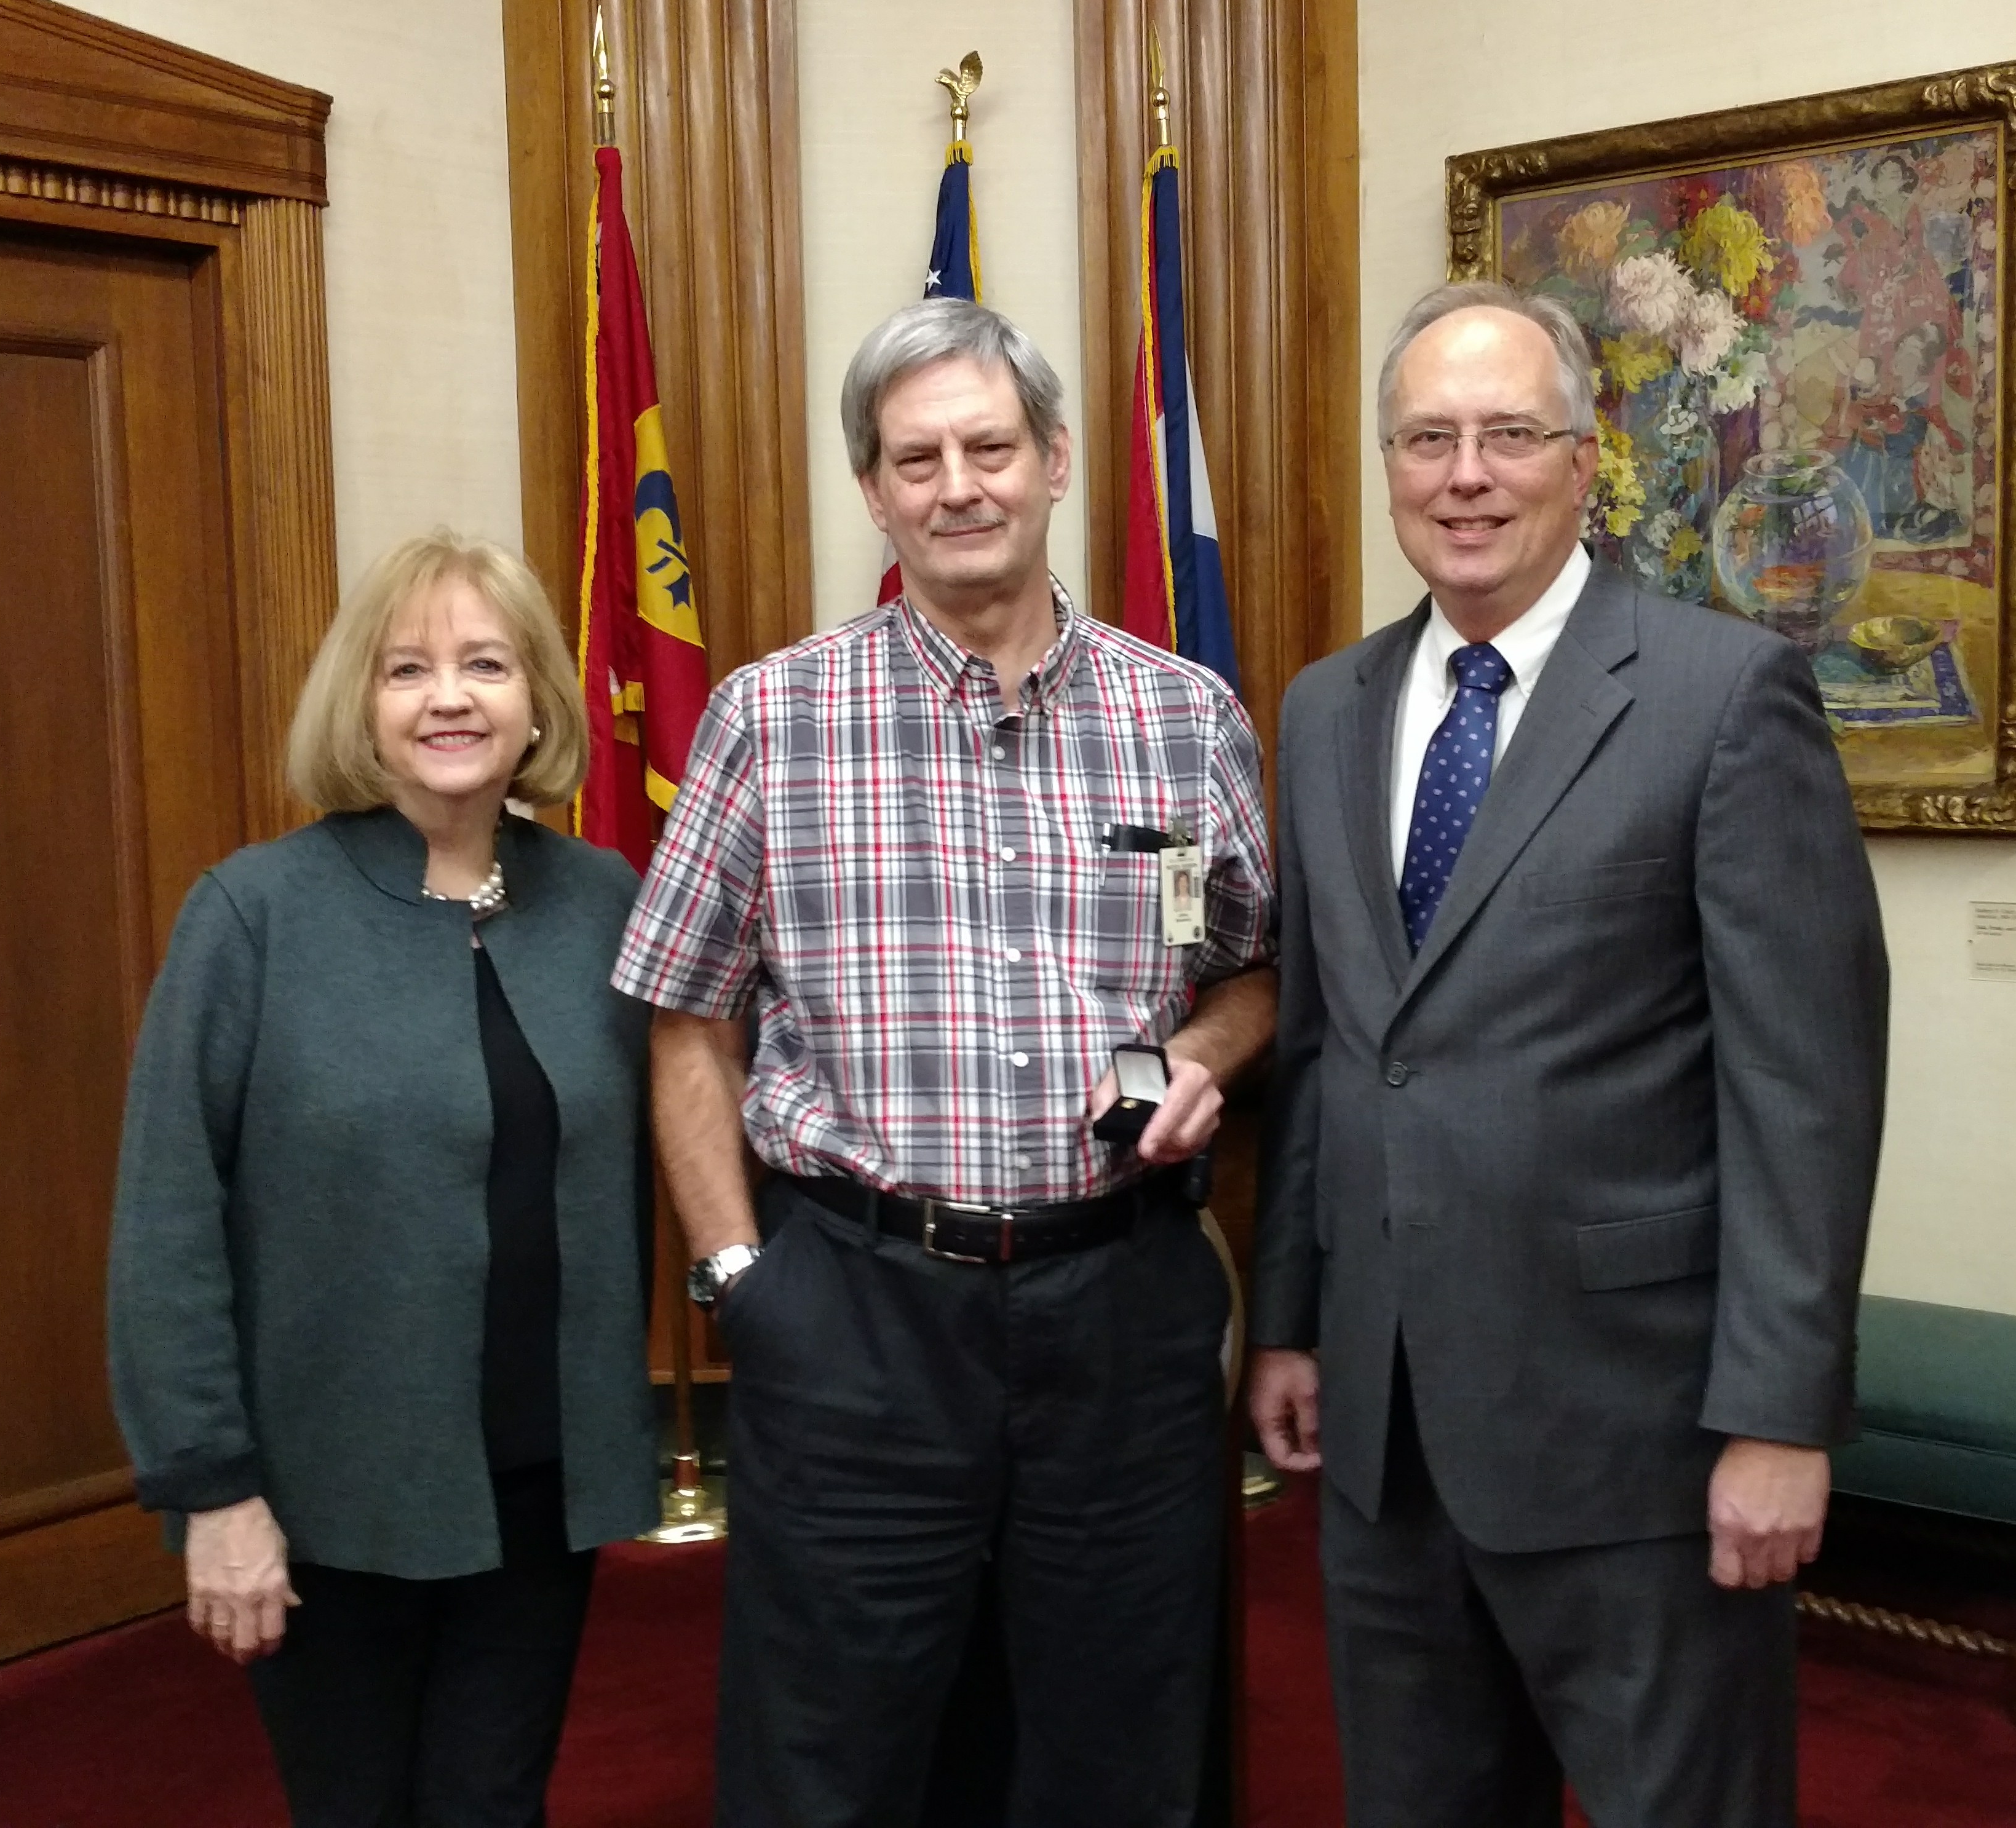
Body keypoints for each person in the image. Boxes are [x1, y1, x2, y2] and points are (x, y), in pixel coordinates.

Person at [613, 297, 1277, 1828]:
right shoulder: (769, 718)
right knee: (827, 1758)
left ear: (1053, 462)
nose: (956, 484)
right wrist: (737, 1284)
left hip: (1115, 1310)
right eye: (915, 458)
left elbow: (1254, 974)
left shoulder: (1184, 721)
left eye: (989, 446)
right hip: (853, 1311)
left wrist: (1196, 1052)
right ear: (872, 492)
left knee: (1122, 1748)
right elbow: (687, 1022)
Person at [1248, 280, 1888, 1828]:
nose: (1463, 474)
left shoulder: (1719, 695)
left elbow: (1802, 1092)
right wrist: (1286, 1321)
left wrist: (1780, 1418)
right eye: (1426, 438)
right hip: (1384, 1437)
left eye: (1507, 435)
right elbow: (1331, 1040)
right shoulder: (1326, 708)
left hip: (1638, 1445)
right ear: (1390, 463)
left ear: (1583, 458)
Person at [109, 531, 659, 1828]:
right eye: (407, 669)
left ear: (538, 699)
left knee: (492, 1804)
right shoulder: (252, 914)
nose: (449, 698)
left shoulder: (603, 902)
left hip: (540, 1486)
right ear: (362, 701)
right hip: (327, 1496)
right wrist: (213, 1492)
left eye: (485, 663)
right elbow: (166, 1221)